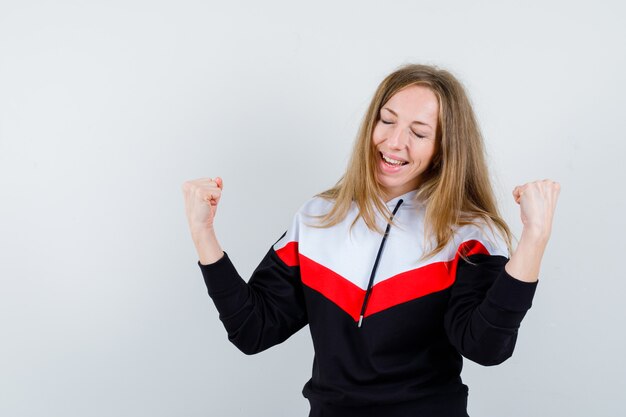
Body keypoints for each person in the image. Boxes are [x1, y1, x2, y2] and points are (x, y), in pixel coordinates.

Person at [181, 63, 560, 417]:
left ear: (444, 148)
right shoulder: (318, 217)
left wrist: (534, 239)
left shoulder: (471, 234)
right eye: (387, 120)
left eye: (419, 132)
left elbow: (486, 347)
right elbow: (253, 329)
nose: (395, 142)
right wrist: (204, 233)